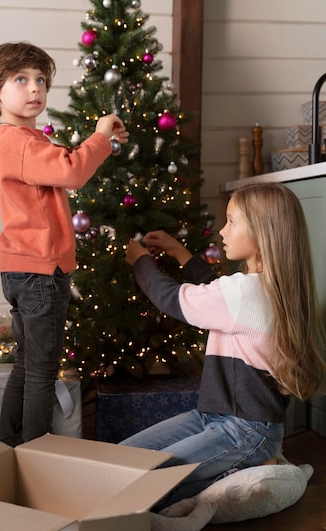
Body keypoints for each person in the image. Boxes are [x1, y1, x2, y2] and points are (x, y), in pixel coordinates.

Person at [123, 182, 325, 509]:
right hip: (213, 417)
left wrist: (141, 262)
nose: (221, 231)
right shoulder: (268, 287)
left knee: (143, 485)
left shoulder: (246, 292)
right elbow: (215, 290)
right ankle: (241, 465)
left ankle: (246, 465)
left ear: (262, 233)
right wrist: (179, 252)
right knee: (122, 460)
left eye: (232, 222)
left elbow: (171, 299)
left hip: (246, 431)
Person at [0, 41, 128, 446]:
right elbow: (73, 172)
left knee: (27, 365)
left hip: (21, 268)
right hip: (40, 270)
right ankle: (34, 453)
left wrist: (104, 146)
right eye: (21, 79)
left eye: (41, 80)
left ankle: (9, 447)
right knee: (41, 370)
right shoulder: (22, 142)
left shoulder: (21, 139)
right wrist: (99, 136)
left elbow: (66, 168)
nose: (34, 89)